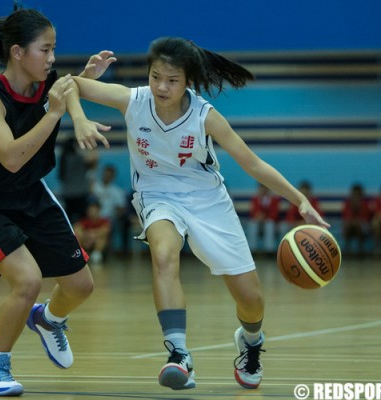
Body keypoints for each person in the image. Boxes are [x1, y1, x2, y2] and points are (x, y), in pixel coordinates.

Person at [71, 37, 328, 390]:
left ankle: (250, 341)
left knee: (251, 301)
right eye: (155, 76)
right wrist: (80, 112)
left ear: (188, 81)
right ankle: (179, 354)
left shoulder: (205, 116)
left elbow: (252, 163)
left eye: (172, 80)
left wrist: (298, 199)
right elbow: (65, 85)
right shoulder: (133, 100)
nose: (161, 86)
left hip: (208, 199)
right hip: (157, 194)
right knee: (163, 254)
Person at [0, 5, 115, 397]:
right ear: (17, 52)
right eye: (45, 49)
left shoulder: (49, 83)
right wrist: (57, 113)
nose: (53, 58)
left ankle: (49, 319)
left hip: (31, 193)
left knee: (80, 285)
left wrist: (84, 87)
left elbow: (69, 89)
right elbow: (10, 156)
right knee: (27, 281)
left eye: (54, 49)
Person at [58, 137, 98, 222]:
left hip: (67, 194)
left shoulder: (63, 159)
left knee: (68, 220)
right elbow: (93, 160)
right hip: (80, 194)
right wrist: (93, 146)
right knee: (82, 220)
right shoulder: (77, 158)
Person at [91, 164, 127, 253]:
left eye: (109, 175)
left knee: (111, 224)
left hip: (109, 218)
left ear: (113, 177)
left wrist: (116, 214)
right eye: (105, 174)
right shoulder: (94, 187)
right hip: (93, 217)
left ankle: (106, 251)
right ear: (102, 174)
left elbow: (122, 208)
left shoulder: (117, 191)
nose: (107, 176)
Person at [73, 198, 111, 264]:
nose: (92, 212)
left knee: (102, 239)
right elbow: (76, 229)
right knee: (78, 236)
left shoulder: (104, 220)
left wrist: (93, 235)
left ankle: (96, 254)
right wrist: (87, 236)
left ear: (98, 210)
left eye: (94, 210)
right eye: (90, 210)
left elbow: (106, 230)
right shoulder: (84, 221)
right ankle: (81, 254)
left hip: (97, 242)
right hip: (86, 242)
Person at [246, 183, 281, 256]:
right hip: (258, 220)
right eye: (261, 189)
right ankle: (253, 250)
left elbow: (275, 213)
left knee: (269, 224)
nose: (263, 191)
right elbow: (253, 212)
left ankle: (269, 250)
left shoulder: (274, 200)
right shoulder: (256, 199)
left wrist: (265, 217)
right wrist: (258, 217)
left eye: (265, 189)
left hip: (269, 220)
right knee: (253, 224)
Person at [341, 183, 371, 257]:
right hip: (350, 224)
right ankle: (347, 249)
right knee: (348, 226)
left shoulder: (364, 203)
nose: (356, 195)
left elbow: (365, 218)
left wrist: (357, 220)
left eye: (358, 194)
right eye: (355, 193)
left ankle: (360, 250)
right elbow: (345, 216)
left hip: (362, 225)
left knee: (358, 226)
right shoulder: (348, 203)